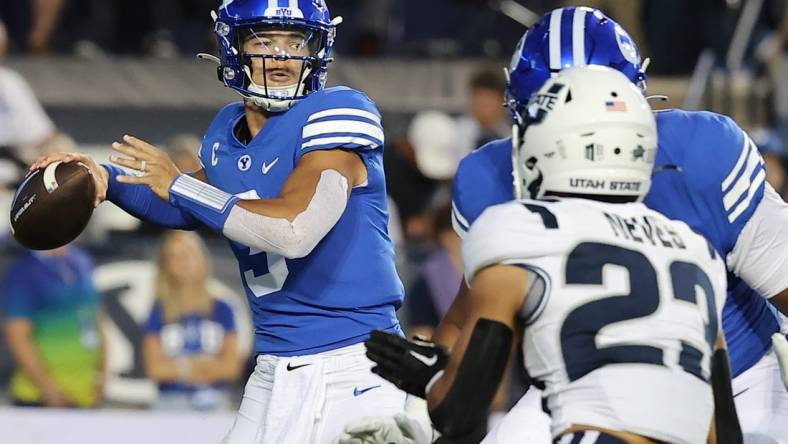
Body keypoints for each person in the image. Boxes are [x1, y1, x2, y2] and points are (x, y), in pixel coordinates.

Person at [341, 6, 788, 444]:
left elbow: (468, 355)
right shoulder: (689, 240)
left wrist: (431, 403)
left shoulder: (699, 155)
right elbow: (465, 319)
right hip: (581, 383)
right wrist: (421, 414)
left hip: (738, 377)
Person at [30, 1, 406, 443]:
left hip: (354, 363)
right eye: (264, 41)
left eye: (295, 41)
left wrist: (179, 185)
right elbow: (184, 205)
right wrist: (102, 178)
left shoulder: (337, 113)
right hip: (275, 368)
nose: (282, 56)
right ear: (233, 48)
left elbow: (294, 230)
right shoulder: (227, 132)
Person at [142, 231, 243, 411]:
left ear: (201, 258)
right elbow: (155, 369)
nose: (183, 261)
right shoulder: (158, 312)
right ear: (166, 265)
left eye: (188, 253)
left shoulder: (223, 309)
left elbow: (231, 367)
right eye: (175, 256)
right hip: (170, 403)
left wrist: (178, 368)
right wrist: (200, 366)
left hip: (215, 401)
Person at [1, 245, 102, 408]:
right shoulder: (22, 273)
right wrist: (48, 389)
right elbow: (17, 336)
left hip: (86, 394)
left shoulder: (82, 260)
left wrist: (102, 374)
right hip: (39, 398)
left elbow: (96, 316)